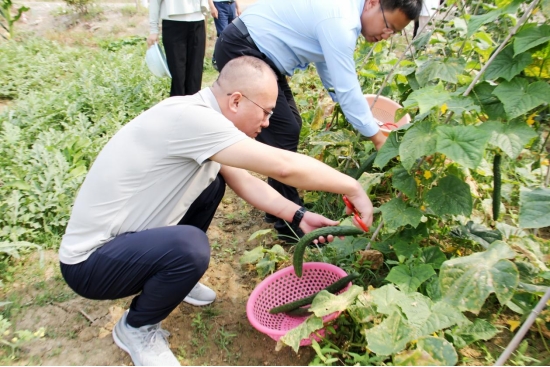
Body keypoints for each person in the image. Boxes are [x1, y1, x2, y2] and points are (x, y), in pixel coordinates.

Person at [58, 56, 374, 366]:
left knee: (212, 185)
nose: (266, 123)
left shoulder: (198, 115)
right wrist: (353, 187)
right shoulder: (193, 121)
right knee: (190, 249)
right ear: (236, 101)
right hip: (89, 264)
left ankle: (172, 280)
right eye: (265, 112)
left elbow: (245, 182)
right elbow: (284, 167)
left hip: (124, 241)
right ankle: (136, 328)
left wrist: (298, 215)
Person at [214, 0, 422, 241]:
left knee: (290, 125)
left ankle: (277, 204)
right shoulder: (341, 21)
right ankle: (290, 225)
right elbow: (346, 86)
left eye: (394, 32)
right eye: (388, 25)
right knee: (282, 133)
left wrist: (345, 102)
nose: (386, 35)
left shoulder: (342, 14)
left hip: (259, 52)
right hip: (244, 49)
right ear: (372, 3)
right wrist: (376, 137)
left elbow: (328, 65)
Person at [147, 0, 210, 96]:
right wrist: (153, 30)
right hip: (173, 22)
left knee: (195, 73)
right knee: (178, 74)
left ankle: (194, 108)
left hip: (198, 20)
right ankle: (177, 108)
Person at [208, 0, 241, 70]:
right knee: (223, 34)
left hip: (231, 4)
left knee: (232, 33)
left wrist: (238, 7)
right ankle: (216, 59)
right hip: (220, 5)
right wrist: (212, 6)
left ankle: (229, 58)